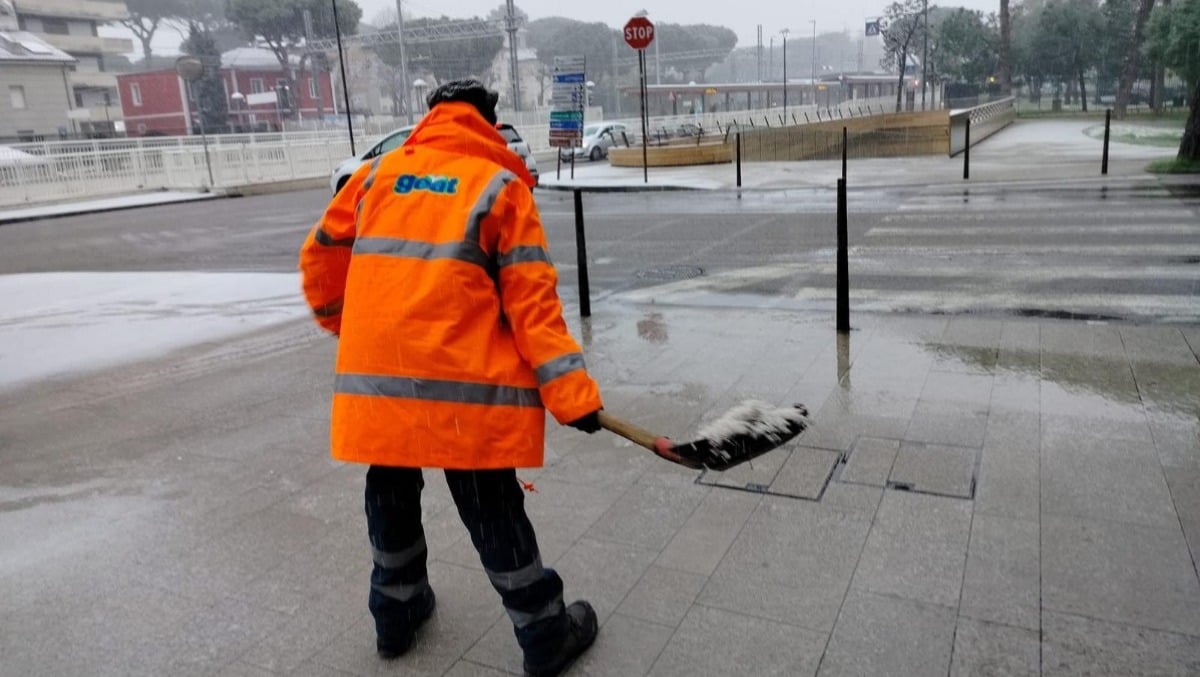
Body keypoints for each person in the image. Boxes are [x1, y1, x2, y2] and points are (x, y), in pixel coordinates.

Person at [298, 79, 604, 677]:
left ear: (430, 116)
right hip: (468, 392)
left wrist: (347, 327)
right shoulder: (500, 188)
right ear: (490, 122)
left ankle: (396, 616)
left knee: (388, 491)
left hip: (381, 382)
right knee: (491, 508)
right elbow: (533, 309)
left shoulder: (373, 177)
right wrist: (573, 398)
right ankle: (543, 634)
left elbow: (320, 257)